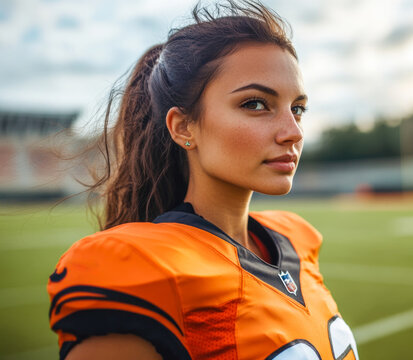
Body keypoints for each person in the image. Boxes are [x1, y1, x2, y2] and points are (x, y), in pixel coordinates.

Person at [47, 1, 359, 359]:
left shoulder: (296, 241)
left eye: (298, 109)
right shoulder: (147, 269)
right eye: (256, 104)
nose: (293, 132)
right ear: (184, 127)